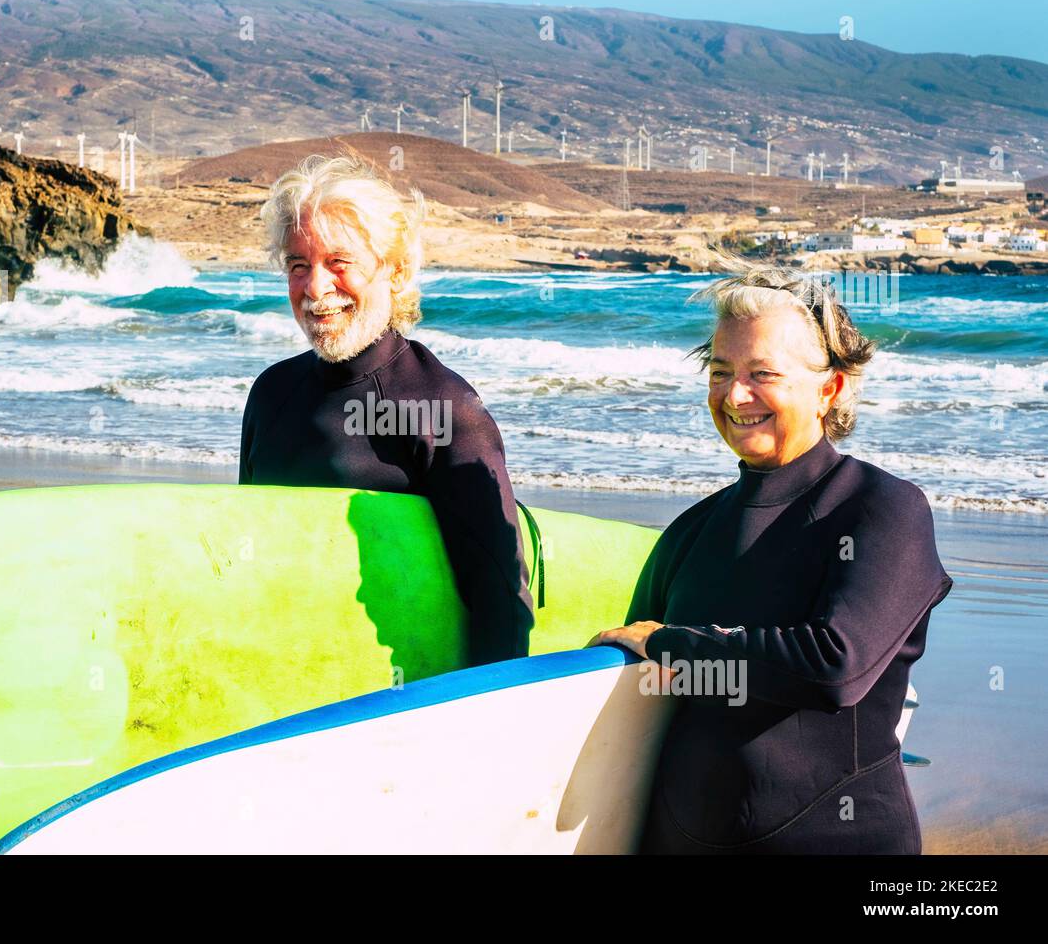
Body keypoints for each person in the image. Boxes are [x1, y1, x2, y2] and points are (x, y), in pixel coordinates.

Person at [588, 256, 953, 854]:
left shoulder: (882, 510)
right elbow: (638, 694)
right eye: (719, 370)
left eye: (763, 373)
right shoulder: (692, 530)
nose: (735, 394)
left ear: (828, 387)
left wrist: (671, 641)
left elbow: (835, 667)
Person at [240, 151, 534, 666]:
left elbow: (502, 608)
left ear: (394, 271)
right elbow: (247, 553)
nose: (315, 288)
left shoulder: (444, 409)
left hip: (381, 700)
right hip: (279, 679)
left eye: (339, 262)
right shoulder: (271, 393)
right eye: (298, 265)